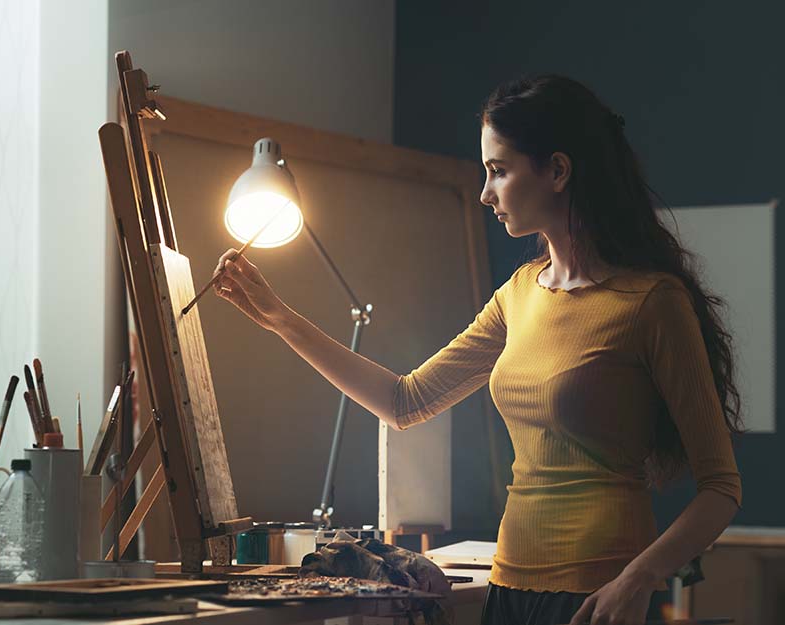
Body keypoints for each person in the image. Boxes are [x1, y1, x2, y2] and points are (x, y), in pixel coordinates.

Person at [212, 74, 743, 625]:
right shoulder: (517, 294)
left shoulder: (652, 302)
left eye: (499, 170)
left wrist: (639, 578)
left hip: (599, 596)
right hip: (507, 588)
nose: (485, 192)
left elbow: (721, 487)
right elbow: (404, 401)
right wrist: (279, 318)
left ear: (557, 170)